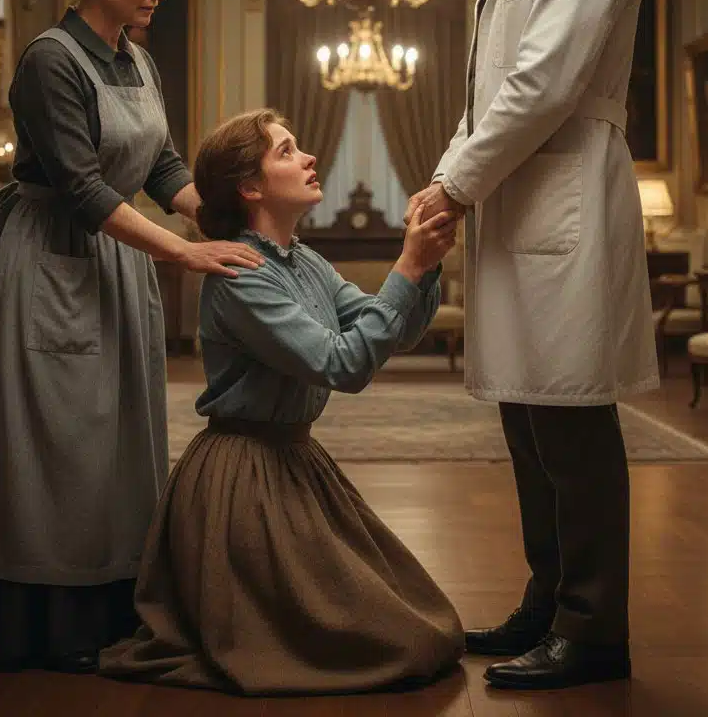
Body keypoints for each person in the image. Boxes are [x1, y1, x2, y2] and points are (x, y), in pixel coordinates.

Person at [0, 0, 264, 674]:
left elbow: (162, 167)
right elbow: (81, 189)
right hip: (45, 261)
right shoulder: (50, 60)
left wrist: (230, 224)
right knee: (55, 439)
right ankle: (43, 619)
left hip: (115, 257)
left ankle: (111, 606)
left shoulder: (137, 59)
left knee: (115, 437)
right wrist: (185, 255)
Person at [405, 0, 659, 691]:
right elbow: (492, 93)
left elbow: (543, 85)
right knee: (527, 417)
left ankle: (593, 629)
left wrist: (457, 183)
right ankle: (548, 602)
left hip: (564, 190)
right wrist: (446, 175)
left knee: (571, 421)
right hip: (523, 191)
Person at [98, 109, 465, 694]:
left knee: (425, 624)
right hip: (242, 477)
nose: (310, 157)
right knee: (402, 641)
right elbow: (344, 364)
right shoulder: (242, 273)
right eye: (287, 151)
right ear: (249, 187)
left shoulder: (304, 259)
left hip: (295, 462)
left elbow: (388, 330)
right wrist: (408, 265)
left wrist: (425, 264)